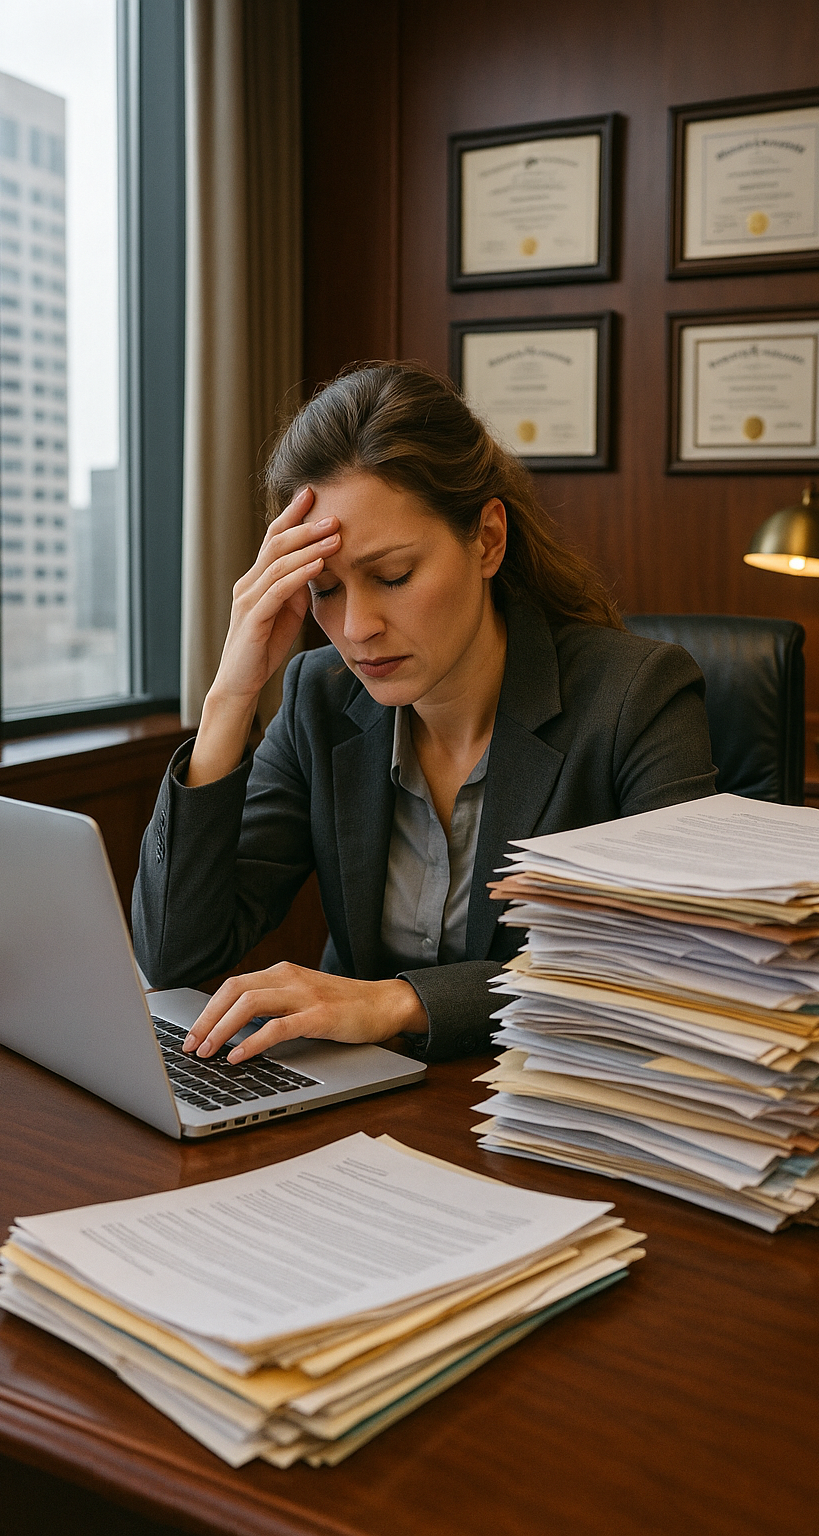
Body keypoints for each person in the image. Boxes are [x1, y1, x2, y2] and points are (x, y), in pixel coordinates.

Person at [133, 363, 716, 1066]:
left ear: (488, 540)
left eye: (394, 577)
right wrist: (230, 696)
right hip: (363, 1111)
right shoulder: (320, 698)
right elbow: (175, 955)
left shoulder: (635, 697)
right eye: (324, 588)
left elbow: (668, 972)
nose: (356, 628)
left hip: (552, 1108)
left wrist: (400, 1002)